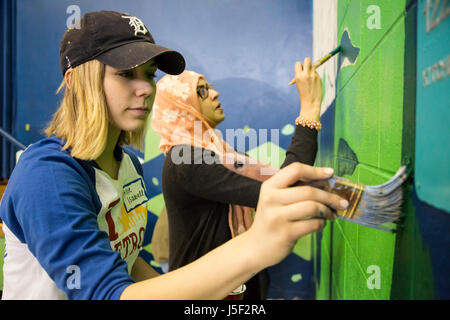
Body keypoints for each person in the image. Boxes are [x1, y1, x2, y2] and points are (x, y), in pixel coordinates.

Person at [0, 10, 347, 300]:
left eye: (150, 74)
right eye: (126, 74)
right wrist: (255, 247)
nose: (147, 88)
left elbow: (123, 259)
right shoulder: (47, 174)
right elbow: (108, 294)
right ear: (77, 82)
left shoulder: (128, 165)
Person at [150, 59, 334, 299]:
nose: (215, 94)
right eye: (201, 91)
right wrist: (309, 110)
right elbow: (284, 192)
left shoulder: (219, 154)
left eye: (210, 87)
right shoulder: (185, 159)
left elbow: (282, 184)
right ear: (181, 105)